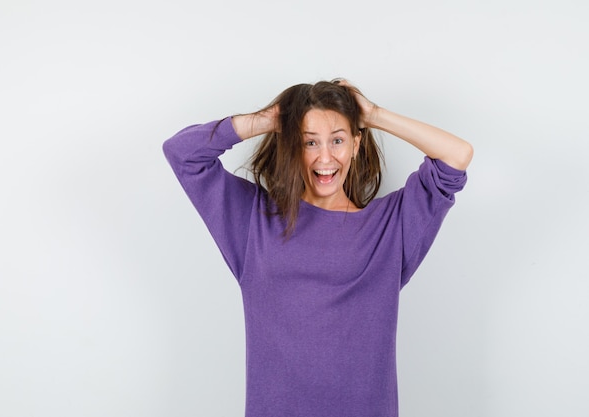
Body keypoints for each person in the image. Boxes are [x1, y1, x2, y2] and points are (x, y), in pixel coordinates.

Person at [162, 79, 473, 417]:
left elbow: (457, 156)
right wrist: (270, 119)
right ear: (294, 146)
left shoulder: (390, 228)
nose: (325, 157)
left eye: (337, 140)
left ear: (356, 144)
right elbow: (182, 153)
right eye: (310, 142)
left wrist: (373, 114)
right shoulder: (254, 221)